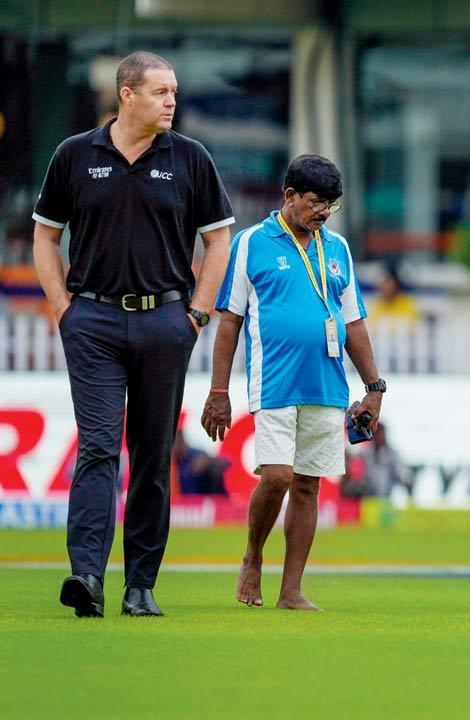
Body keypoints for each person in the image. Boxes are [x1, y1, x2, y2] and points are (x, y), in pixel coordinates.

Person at [33, 51, 235, 618]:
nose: (172, 100)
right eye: (161, 91)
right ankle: (88, 577)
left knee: (151, 454)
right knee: (97, 448)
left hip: (166, 322)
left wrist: (196, 315)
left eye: (174, 91)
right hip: (91, 322)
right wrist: (63, 310)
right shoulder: (74, 155)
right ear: (127, 95)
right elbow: (45, 237)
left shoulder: (191, 158)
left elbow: (218, 242)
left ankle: (140, 585)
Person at [200, 155, 385, 611]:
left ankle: (291, 591)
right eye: (316, 202)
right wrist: (219, 391)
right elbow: (229, 324)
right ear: (289, 197)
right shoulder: (251, 243)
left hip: (327, 385)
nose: (323, 212)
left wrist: (374, 388)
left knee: (309, 485)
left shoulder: (337, 248)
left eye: (331, 205)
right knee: (279, 475)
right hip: (274, 383)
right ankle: (252, 557)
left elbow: (354, 323)